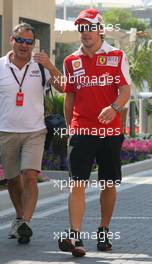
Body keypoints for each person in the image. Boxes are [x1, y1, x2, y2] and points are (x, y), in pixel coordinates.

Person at [58, 9, 131, 257]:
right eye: (81, 28)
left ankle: (103, 230)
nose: (85, 33)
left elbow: (124, 90)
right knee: (76, 183)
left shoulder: (116, 55)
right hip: (81, 130)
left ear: (100, 29)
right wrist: (70, 130)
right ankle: (75, 236)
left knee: (108, 183)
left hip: (110, 132)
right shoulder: (70, 61)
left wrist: (114, 108)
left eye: (89, 27)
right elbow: (69, 96)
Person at [0, 22, 63, 244]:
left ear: (33, 44)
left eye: (29, 42)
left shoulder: (40, 66)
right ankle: (19, 218)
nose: (24, 45)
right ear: (12, 41)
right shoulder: (0, 66)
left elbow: (64, 87)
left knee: (30, 176)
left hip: (35, 131)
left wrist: (52, 66)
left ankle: (26, 222)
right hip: (5, 132)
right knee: (12, 181)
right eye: (20, 40)